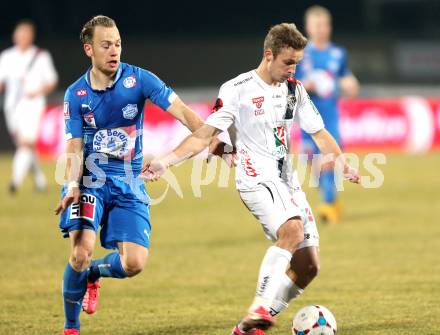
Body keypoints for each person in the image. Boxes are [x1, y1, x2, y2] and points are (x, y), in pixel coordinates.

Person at [144, 23, 360, 335]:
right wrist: (165, 161)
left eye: (297, 62)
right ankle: (259, 306)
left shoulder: (294, 90)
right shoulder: (237, 90)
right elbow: (205, 135)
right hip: (255, 178)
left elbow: (319, 132)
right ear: (268, 55)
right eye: (288, 62)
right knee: (293, 230)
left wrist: (341, 162)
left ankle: (250, 326)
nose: (293, 69)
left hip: (287, 182)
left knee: (308, 266)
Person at [54, 15, 216, 335]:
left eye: (117, 44)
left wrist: (218, 143)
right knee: (81, 251)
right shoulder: (76, 94)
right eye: (105, 45)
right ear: (89, 49)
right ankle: (71, 327)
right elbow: (73, 146)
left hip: (129, 177)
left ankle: (94, 274)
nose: (114, 51)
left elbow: (183, 112)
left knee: (134, 264)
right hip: (90, 178)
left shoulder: (139, 80)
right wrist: (73, 183)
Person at [295, 5, 359, 224]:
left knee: (329, 159)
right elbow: (288, 83)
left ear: (329, 27)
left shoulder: (338, 53)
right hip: (306, 115)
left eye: (324, 25)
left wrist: (351, 83)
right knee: (313, 164)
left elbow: (344, 75)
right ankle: (332, 201)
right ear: (308, 28)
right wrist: (306, 84)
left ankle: (328, 205)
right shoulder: (301, 54)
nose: (321, 29)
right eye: (317, 25)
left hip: (329, 115)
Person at [0, 19, 58, 193]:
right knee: (24, 146)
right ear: (14, 36)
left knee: (26, 143)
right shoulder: (7, 56)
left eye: (26, 34)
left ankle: (15, 182)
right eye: (20, 34)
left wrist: (37, 90)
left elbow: (52, 81)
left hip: (33, 104)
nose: (22, 37)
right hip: (12, 106)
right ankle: (40, 181)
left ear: (31, 37)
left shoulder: (40, 56)